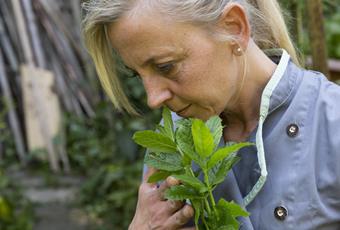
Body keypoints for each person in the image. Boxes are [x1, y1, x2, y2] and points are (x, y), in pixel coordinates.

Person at [81, 0, 340, 229]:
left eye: (165, 66)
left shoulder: (331, 123)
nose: (153, 99)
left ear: (234, 28)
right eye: (138, 74)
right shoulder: (172, 140)